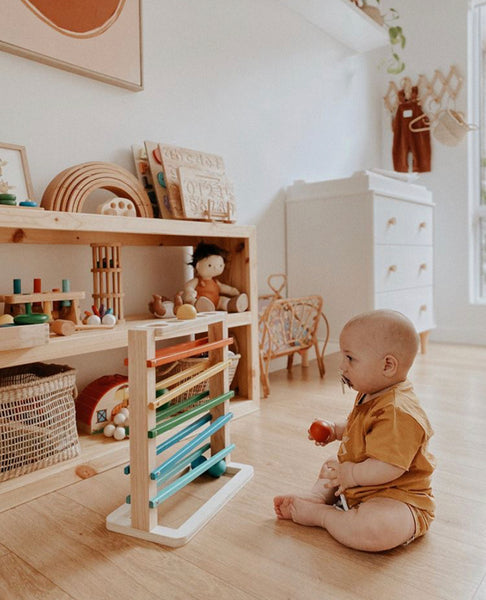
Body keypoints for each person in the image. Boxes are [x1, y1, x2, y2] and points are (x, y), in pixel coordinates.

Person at [273, 309, 435, 552]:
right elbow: (362, 426)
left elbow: (390, 467)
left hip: (396, 496)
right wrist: (336, 430)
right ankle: (321, 496)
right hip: (359, 485)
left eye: (350, 358)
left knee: (377, 527)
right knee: (331, 465)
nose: (342, 366)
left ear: (388, 365)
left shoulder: (398, 412)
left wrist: (352, 475)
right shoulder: (374, 391)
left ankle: (323, 515)